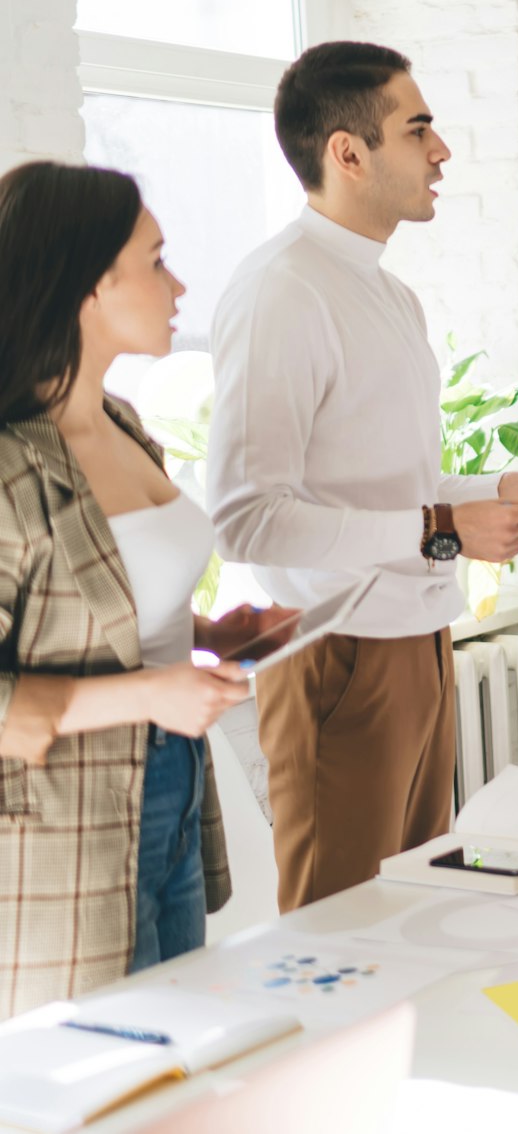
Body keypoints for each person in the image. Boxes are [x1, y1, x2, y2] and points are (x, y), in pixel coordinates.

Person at [207, 42, 518, 912]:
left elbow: (387, 478)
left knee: (411, 913)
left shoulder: (388, 294)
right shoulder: (280, 291)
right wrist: (441, 528)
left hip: (419, 639)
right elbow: (247, 518)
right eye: (418, 130)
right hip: (337, 656)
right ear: (348, 152)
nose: (441, 150)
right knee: (341, 929)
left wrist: (498, 492)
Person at [0, 161, 296, 1015]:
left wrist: (209, 633)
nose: (180, 284)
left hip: (172, 782)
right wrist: (152, 693)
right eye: (158, 260)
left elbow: (106, 605)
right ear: (90, 282)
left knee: (175, 1047)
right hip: (65, 820)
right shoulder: (10, 462)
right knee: (106, 1073)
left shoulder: (124, 422)